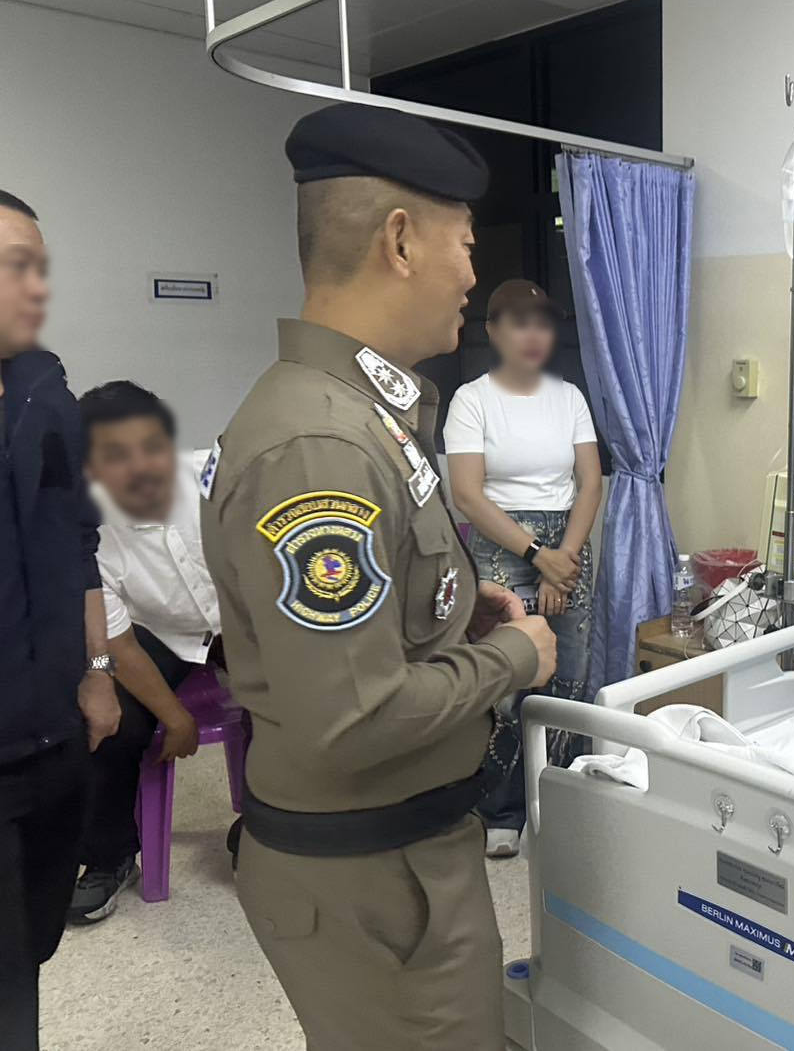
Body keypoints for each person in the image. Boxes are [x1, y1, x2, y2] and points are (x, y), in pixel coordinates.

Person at [199, 104, 557, 1051]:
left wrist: (450, 614)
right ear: (400, 241)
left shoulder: (363, 411)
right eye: (465, 244)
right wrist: (513, 659)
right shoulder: (321, 442)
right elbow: (352, 719)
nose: (473, 275)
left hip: (405, 852)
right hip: (372, 878)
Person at [0, 190, 121, 1048]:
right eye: (16, 266)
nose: (38, 286)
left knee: (32, 942)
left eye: (40, 266)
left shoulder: (46, 396)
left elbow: (79, 546)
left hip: (51, 733)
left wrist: (98, 672)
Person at [444, 279, 601, 858]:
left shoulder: (569, 397)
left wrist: (564, 561)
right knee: (511, 681)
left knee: (571, 678)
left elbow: (590, 483)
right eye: (517, 322)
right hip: (502, 545)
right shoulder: (472, 400)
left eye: (541, 323)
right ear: (493, 331)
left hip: (569, 544)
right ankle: (503, 808)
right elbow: (468, 494)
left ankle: (560, 800)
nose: (532, 335)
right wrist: (539, 557)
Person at [69, 380, 223, 923]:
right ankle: (110, 856)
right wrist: (175, 717)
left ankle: (273, 823)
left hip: (248, 622)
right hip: (159, 633)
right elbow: (116, 643)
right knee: (104, 719)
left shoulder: (218, 480)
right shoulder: (86, 532)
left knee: (298, 700)